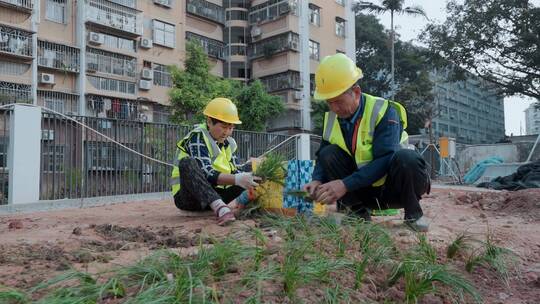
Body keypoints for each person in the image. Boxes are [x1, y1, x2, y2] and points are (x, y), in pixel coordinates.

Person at [303, 53, 431, 232]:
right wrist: (316, 180)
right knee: (328, 153)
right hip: (364, 191)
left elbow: (385, 159)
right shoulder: (332, 119)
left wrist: (344, 184)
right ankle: (357, 216)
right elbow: (323, 153)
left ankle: (413, 217)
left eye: (338, 101)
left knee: (406, 158)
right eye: (329, 103)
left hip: (394, 190)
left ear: (356, 92)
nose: (334, 108)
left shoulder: (384, 111)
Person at [170, 97, 260, 225]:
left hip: (218, 194)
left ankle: (246, 201)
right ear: (209, 122)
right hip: (190, 198)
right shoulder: (198, 137)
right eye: (223, 127)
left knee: (252, 168)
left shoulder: (230, 143)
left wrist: (252, 165)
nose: (227, 132)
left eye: (231, 128)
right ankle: (220, 208)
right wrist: (237, 179)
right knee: (187, 162)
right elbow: (207, 173)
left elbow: (236, 170)